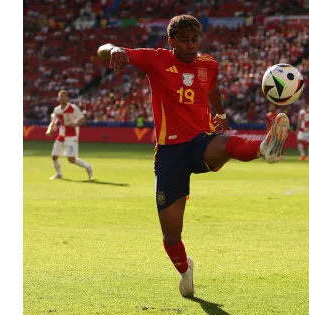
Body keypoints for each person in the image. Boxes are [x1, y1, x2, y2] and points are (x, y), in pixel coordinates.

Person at [97, 15, 290, 298]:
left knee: (223, 145)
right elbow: (104, 49)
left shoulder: (208, 64)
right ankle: (185, 270)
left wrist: (221, 115)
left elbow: (212, 89)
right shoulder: (155, 59)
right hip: (169, 154)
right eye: (184, 40)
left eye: (194, 40)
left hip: (201, 140)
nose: (190, 45)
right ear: (171, 41)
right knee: (171, 235)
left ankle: (265, 148)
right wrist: (113, 50)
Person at [46, 90, 94, 180]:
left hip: (72, 136)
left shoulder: (73, 108)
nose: (62, 98)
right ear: (58, 98)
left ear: (67, 98)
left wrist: (75, 124)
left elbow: (83, 119)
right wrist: (49, 130)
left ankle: (88, 167)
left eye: (64, 96)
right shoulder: (57, 110)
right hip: (61, 135)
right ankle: (59, 174)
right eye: (60, 96)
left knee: (71, 159)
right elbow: (53, 122)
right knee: (54, 156)